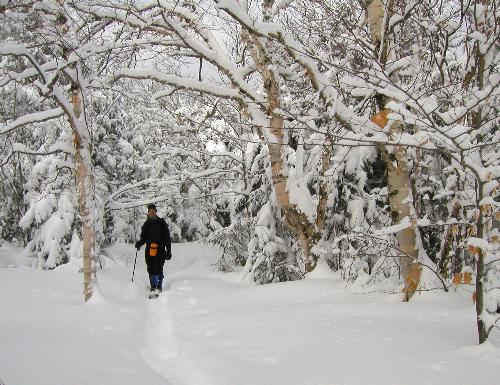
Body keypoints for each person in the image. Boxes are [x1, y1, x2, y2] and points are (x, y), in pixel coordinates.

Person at [135, 203, 172, 293]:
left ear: (156, 211)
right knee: (150, 268)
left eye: (153, 211)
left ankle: (159, 286)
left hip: (160, 249)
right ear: (148, 212)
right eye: (150, 211)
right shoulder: (146, 224)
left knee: (158, 267)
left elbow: (167, 237)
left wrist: (169, 251)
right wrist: (139, 243)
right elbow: (143, 237)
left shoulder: (161, 222)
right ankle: (153, 286)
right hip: (149, 250)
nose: (152, 212)